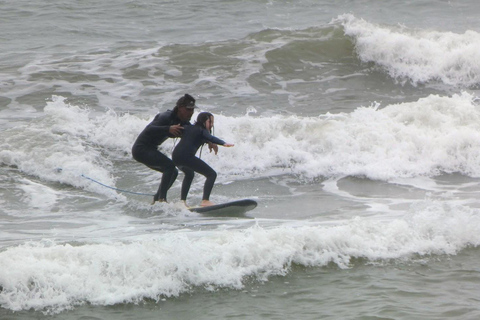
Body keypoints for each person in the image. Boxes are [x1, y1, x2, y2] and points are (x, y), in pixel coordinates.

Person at [132, 93, 196, 204]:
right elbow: (149, 129)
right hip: (141, 149)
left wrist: (209, 140)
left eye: (192, 110)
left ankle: (157, 199)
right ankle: (162, 199)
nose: (191, 113)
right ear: (180, 108)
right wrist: (168, 128)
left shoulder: (183, 122)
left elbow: (193, 133)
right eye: (188, 110)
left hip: (151, 149)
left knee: (173, 172)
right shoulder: (166, 116)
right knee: (169, 167)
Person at [172, 112, 234, 207]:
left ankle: (182, 202)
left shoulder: (189, 127)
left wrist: (210, 143)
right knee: (211, 174)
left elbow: (199, 137)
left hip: (176, 156)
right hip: (186, 156)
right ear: (203, 121)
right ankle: (205, 201)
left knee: (189, 174)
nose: (212, 125)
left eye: (213, 122)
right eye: (210, 122)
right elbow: (210, 137)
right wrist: (223, 143)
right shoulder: (202, 129)